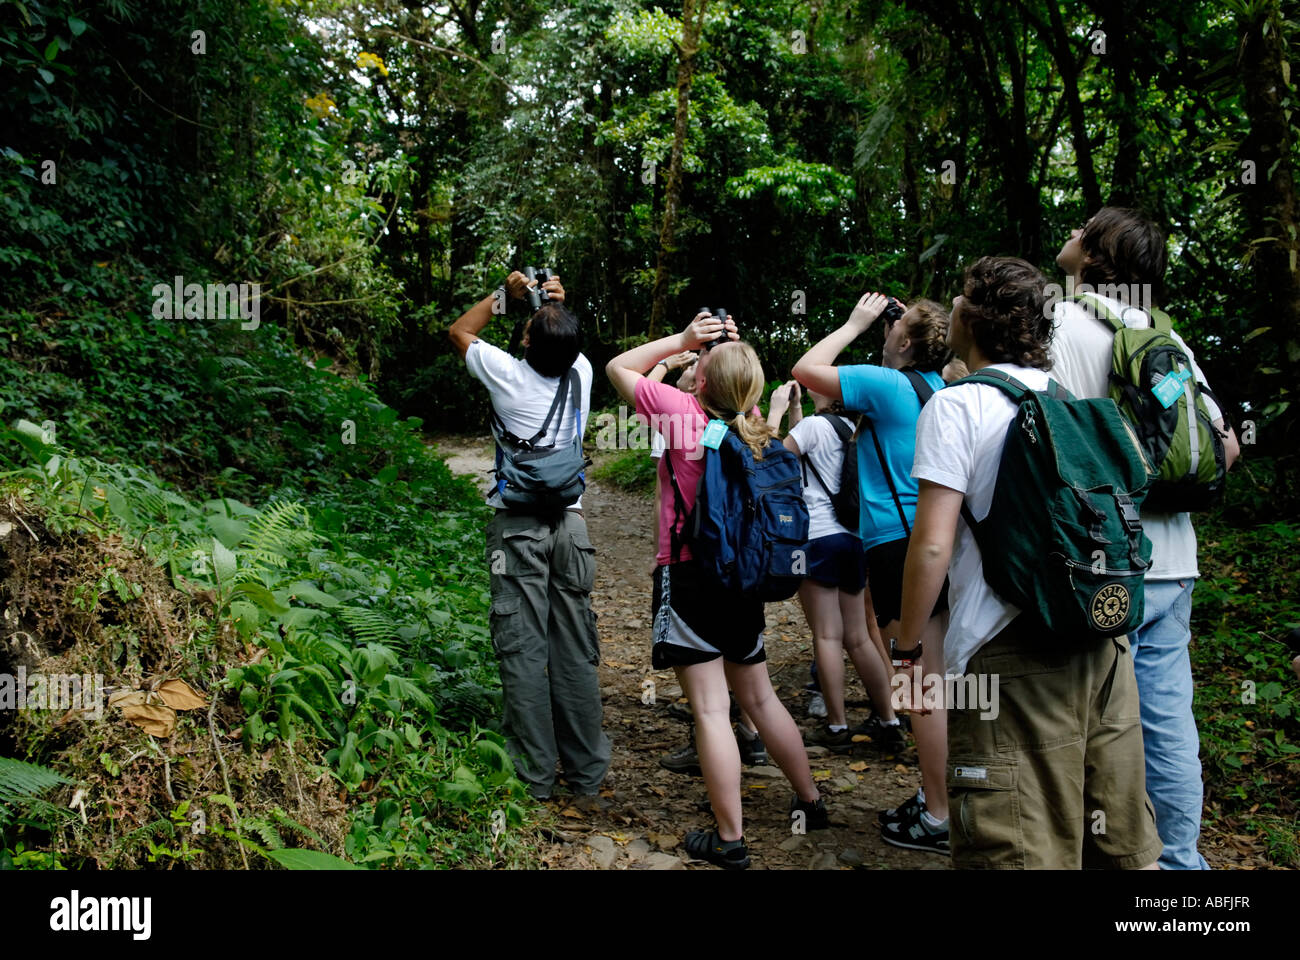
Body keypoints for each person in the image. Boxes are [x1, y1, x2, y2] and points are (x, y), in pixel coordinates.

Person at [902, 254, 1163, 869]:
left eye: (961, 298)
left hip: (1008, 650)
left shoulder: (956, 404)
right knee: (1119, 838)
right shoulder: (1069, 399)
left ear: (970, 318)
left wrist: (908, 649)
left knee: (1016, 840)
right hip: (1102, 640)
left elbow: (934, 543)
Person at [1050, 208, 1241, 869]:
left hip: (1108, 567)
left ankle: (1107, 855)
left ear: (1095, 251)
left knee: (1091, 726)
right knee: (1168, 723)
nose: (1069, 231)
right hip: (1175, 562)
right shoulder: (1167, 337)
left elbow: (1060, 449)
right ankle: (1180, 862)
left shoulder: (1063, 322)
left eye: (1082, 226)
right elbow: (1226, 448)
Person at [606, 310, 827, 869]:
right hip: (742, 580)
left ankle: (730, 839)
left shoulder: (681, 415)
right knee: (759, 696)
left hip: (689, 575)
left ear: (701, 380)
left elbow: (617, 366)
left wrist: (681, 341)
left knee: (709, 708)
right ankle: (811, 800)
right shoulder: (756, 425)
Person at [792, 293, 951, 854]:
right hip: (945, 538)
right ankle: (951, 796)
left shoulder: (888, 387)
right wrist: (913, 326)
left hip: (897, 546)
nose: (887, 327)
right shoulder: (946, 386)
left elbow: (806, 370)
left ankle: (938, 814)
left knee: (920, 681)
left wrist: (855, 322)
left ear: (905, 341)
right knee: (943, 677)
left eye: (896, 325)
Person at [448, 271, 610, 801]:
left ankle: (535, 777)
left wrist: (505, 298)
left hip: (516, 528)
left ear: (523, 341)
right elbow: (562, 342)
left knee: (522, 649)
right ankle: (587, 774)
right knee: (575, 650)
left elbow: (459, 332)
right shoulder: (582, 371)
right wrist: (553, 310)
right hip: (571, 526)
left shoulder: (506, 375)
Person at [767, 379, 904, 754]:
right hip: (854, 537)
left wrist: (776, 412)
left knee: (827, 636)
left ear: (831, 396)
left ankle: (836, 726)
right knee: (858, 637)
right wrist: (797, 412)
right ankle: (889, 720)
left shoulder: (813, 428)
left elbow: (776, 463)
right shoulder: (853, 429)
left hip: (818, 537)